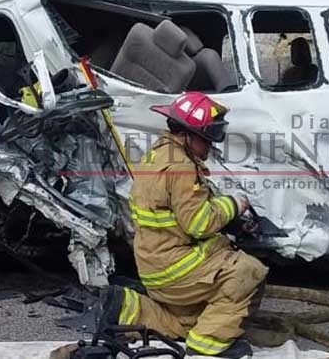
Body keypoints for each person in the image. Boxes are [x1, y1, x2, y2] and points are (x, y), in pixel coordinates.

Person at [98, 91, 268, 358]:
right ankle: (208, 345)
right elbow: (199, 223)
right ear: (190, 134)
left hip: (155, 262)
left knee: (189, 318)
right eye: (208, 138)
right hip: (174, 267)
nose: (211, 146)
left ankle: (127, 308)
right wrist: (235, 205)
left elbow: (184, 211)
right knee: (249, 272)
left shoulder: (160, 154)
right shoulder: (181, 167)